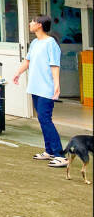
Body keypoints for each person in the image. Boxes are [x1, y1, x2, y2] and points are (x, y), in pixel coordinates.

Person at [13, 15, 67, 168]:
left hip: (46, 88)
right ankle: (49, 150)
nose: (30, 23)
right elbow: (28, 61)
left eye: (33, 21)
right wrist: (18, 73)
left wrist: (56, 85)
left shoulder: (51, 43)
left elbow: (54, 65)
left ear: (40, 25)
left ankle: (60, 155)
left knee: (45, 119)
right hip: (35, 87)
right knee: (42, 119)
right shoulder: (35, 43)